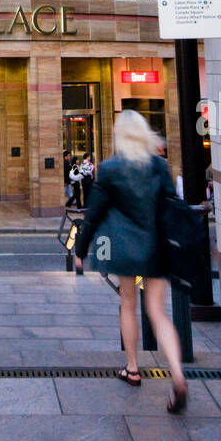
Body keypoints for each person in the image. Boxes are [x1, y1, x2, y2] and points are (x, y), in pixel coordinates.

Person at [74, 110, 189, 413]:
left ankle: (133, 368)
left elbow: (94, 212)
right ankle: (177, 374)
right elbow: (172, 205)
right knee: (158, 312)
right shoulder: (159, 166)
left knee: (128, 304)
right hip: (156, 250)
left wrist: (80, 250)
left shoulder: (110, 169)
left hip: (126, 252)